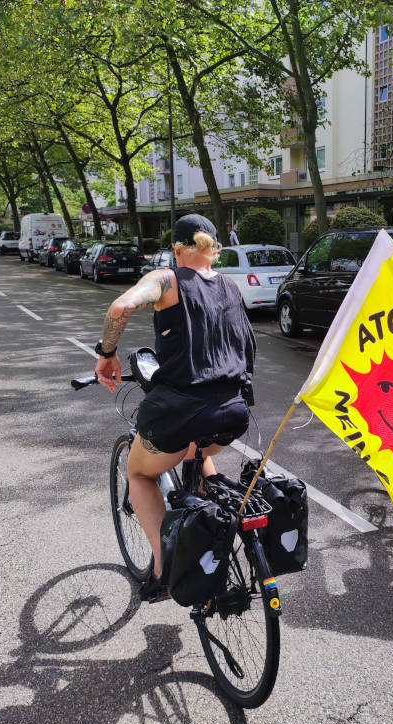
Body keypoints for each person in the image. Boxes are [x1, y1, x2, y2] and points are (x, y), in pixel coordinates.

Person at [94, 213, 255, 602]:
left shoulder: (167, 279)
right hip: (233, 412)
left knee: (139, 473)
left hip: (182, 410)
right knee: (197, 455)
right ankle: (212, 527)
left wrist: (107, 355)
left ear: (175, 249)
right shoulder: (231, 287)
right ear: (214, 248)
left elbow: (120, 308)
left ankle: (165, 568)